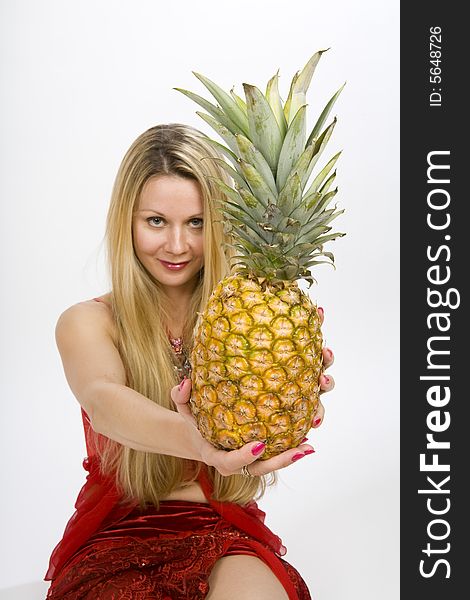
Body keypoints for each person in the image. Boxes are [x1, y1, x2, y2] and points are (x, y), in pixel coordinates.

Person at [44, 123, 336, 600]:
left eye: (197, 223)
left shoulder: (248, 323)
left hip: (223, 530)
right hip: (118, 535)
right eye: (156, 221)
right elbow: (103, 400)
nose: (177, 245)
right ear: (126, 221)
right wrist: (202, 442)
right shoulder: (88, 322)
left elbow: (267, 424)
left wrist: (293, 400)